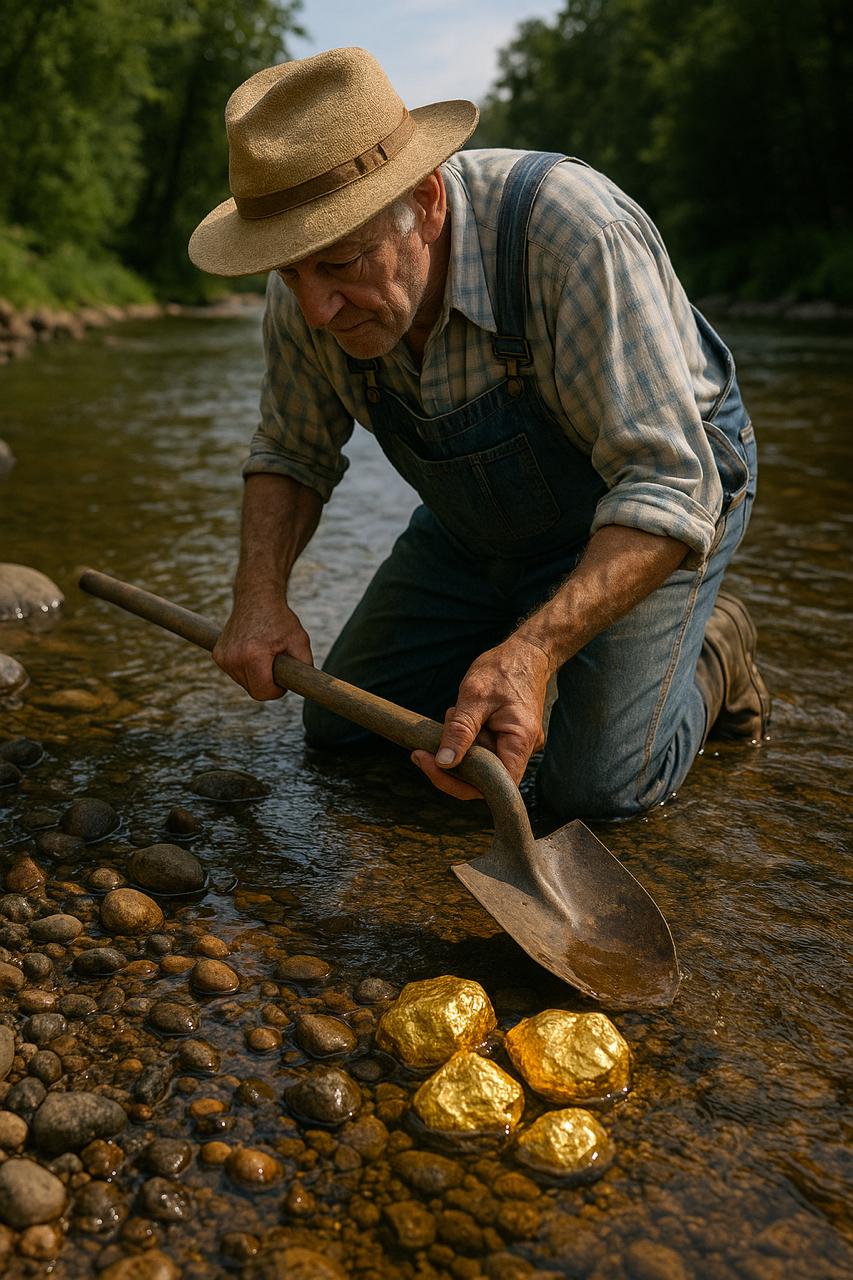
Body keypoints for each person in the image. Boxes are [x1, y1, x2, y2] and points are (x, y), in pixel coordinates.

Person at [188, 47, 770, 825]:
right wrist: (257, 599)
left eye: (340, 262)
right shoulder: (305, 287)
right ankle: (529, 625)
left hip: (656, 502)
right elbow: (291, 453)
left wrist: (529, 655)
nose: (318, 309)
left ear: (426, 202)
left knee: (593, 795)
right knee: (343, 730)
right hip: (477, 527)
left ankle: (710, 652)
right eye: (294, 275)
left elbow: (667, 481)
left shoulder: (571, 234)